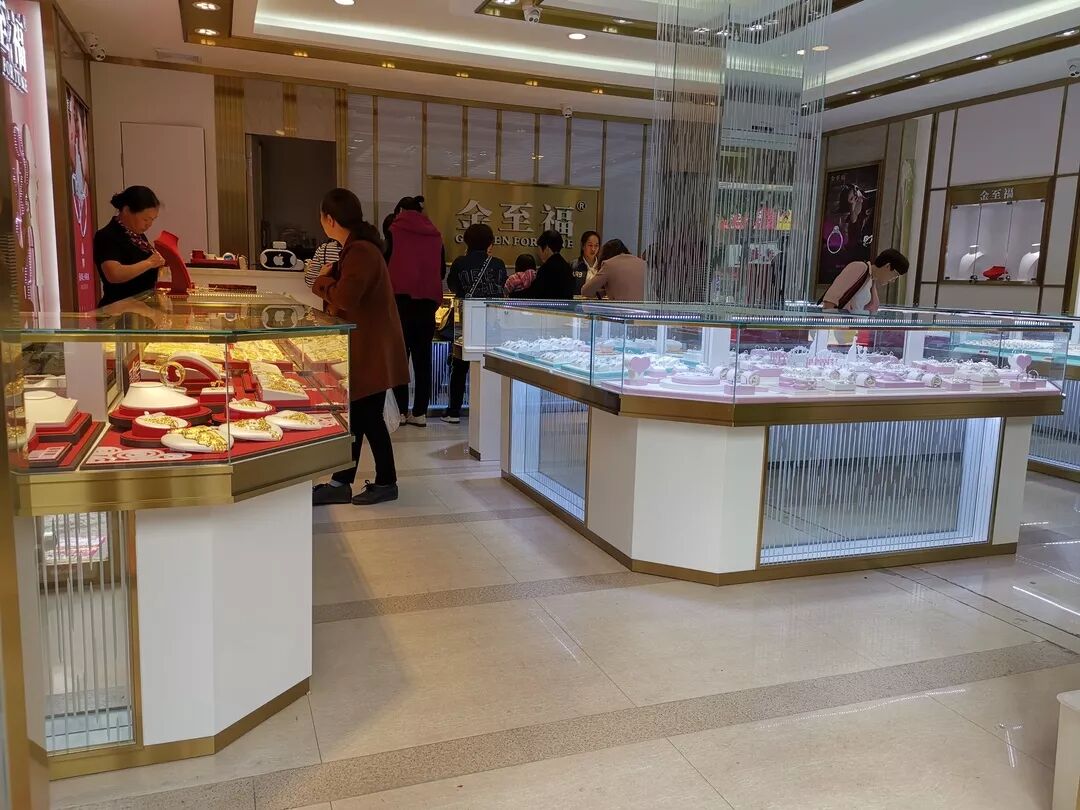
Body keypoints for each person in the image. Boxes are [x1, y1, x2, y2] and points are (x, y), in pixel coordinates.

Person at [311, 189, 409, 507]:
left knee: (368, 418)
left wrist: (321, 282)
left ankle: (386, 482)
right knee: (358, 417)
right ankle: (341, 482)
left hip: (371, 351)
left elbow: (345, 298)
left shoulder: (361, 251)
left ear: (330, 219)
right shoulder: (357, 249)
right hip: (368, 348)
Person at [387, 196, 445, 426]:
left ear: (401, 210)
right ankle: (420, 413)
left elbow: (385, 264)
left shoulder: (393, 231)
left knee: (399, 361)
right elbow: (441, 272)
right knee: (423, 362)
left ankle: (401, 411)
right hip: (426, 306)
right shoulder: (436, 235)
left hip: (400, 304)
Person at [443, 223, 507, 424]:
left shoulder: (460, 263)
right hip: (491, 322)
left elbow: (453, 287)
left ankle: (454, 411)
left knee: (460, 366)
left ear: (467, 241)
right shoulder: (498, 264)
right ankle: (490, 409)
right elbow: (502, 287)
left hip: (467, 321)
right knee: (489, 366)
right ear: (490, 243)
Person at [93, 185, 165, 306]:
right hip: (119, 310)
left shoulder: (137, 236)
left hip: (142, 307)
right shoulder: (107, 235)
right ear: (126, 210)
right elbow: (113, 274)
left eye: (152, 220)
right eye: (145, 219)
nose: (149, 225)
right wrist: (149, 263)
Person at [820, 249, 909, 314]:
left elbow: (873, 307)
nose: (893, 280)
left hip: (851, 328)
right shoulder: (860, 268)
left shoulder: (871, 279)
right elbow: (830, 299)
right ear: (888, 266)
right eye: (895, 275)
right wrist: (832, 326)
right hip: (841, 327)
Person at [582, 239, 647, 301]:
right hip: (646, 307)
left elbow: (586, 291)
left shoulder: (609, 264)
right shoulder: (643, 263)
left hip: (621, 308)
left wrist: (603, 292)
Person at [517, 230, 575, 299]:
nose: (538, 253)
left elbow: (534, 293)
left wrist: (512, 295)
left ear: (546, 248)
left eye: (539, 249)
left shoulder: (546, 269)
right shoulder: (567, 267)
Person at [570, 230, 600, 295]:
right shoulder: (573, 265)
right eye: (590, 245)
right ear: (583, 246)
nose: (593, 249)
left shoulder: (602, 266)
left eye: (596, 245)